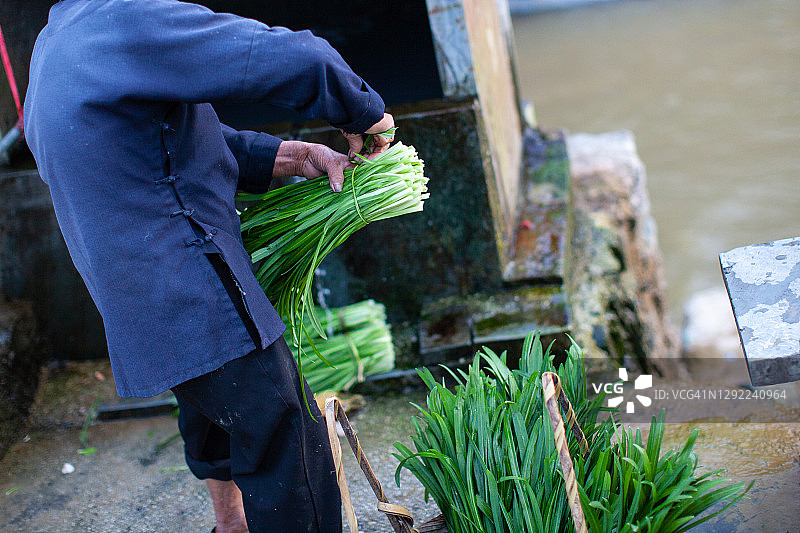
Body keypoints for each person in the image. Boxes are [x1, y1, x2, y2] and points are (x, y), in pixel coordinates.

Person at [24, 1, 395, 531]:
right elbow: (286, 56)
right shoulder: (129, 19)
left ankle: (231, 524)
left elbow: (159, 140)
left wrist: (289, 156)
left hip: (138, 296)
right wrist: (365, 112)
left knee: (219, 412)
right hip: (187, 276)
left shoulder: (59, 38)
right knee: (287, 433)